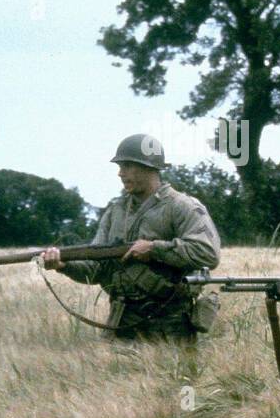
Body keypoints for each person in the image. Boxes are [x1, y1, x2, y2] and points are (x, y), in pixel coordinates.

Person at [42, 134, 220, 343]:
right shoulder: (115, 211)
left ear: (149, 167)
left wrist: (154, 249)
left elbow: (208, 254)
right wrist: (63, 265)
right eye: (120, 166)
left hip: (170, 327)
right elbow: (96, 268)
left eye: (127, 166)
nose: (120, 173)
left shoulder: (182, 206)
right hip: (121, 324)